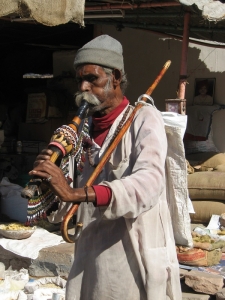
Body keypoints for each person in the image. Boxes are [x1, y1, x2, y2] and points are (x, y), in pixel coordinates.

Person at [29, 35, 182, 300]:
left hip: (131, 258)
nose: (83, 87)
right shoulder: (79, 132)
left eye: (92, 79)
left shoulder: (144, 119)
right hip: (89, 258)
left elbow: (149, 184)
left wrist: (79, 193)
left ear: (116, 77)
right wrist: (49, 185)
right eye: (79, 80)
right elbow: (65, 208)